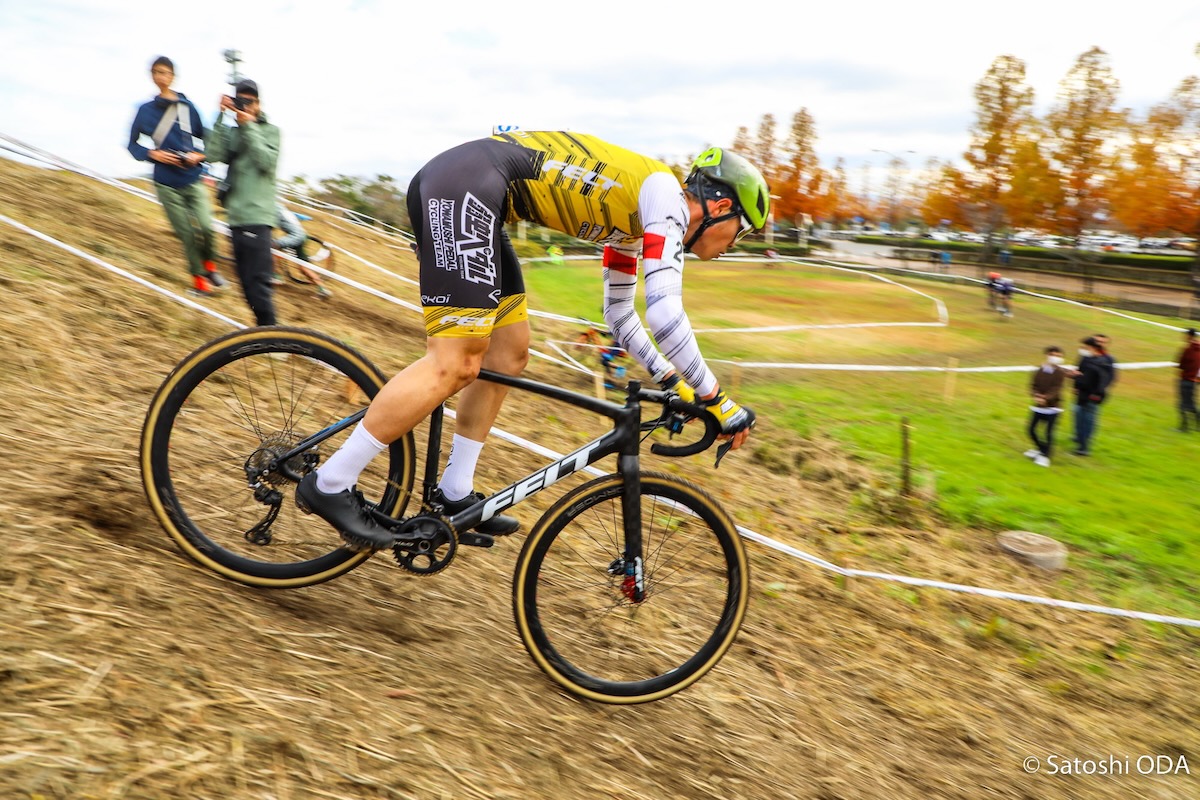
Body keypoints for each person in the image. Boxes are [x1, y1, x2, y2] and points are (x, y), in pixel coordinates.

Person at [296, 132, 767, 550]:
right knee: (454, 363)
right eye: (741, 232)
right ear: (722, 207)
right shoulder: (665, 197)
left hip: (475, 193)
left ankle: (455, 491)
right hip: (467, 188)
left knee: (508, 353)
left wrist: (668, 376)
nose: (734, 244)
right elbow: (664, 312)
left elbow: (620, 315)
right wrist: (717, 399)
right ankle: (332, 482)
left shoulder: (637, 220)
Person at [127, 56, 226, 297]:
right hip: (165, 182)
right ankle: (199, 282)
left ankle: (210, 267)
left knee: (206, 227)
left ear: (172, 77)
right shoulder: (145, 111)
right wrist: (152, 154)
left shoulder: (187, 107)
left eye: (164, 72)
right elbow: (132, 144)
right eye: (155, 72)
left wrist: (199, 156)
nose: (159, 76)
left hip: (192, 176)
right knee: (187, 234)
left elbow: (207, 139)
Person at [205, 79, 281, 326]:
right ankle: (265, 337)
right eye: (241, 100)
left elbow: (266, 163)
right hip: (235, 217)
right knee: (246, 285)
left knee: (259, 284)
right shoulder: (233, 132)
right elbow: (213, 154)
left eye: (250, 101)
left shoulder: (271, 131)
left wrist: (248, 126)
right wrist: (220, 116)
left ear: (258, 103)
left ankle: (274, 338)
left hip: (259, 217)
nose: (245, 105)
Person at [273, 203, 332, 299]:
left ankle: (276, 276)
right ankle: (323, 290)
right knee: (303, 268)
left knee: (273, 247)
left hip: (295, 237)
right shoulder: (285, 210)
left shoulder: (274, 209)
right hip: (303, 236)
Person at [1071, 336, 1115, 456]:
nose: (1083, 350)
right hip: (1085, 395)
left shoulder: (1100, 363)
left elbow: (1087, 381)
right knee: (1081, 419)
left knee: (1087, 421)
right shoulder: (1092, 360)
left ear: (1092, 348)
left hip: (1089, 397)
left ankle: (1083, 447)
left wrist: (1076, 376)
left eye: (1085, 347)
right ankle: (1081, 442)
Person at [1024, 346, 1067, 467]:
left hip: (1053, 407)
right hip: (1038, 405)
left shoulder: (1060, 372)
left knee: (1048, 432)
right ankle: (1040, 449)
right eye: (1054, 355)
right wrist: (1036, 396)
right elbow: (1033, 385)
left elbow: (1057, 389)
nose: (1056, 358)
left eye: (1059, 356)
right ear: (1048, 355)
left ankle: (1045, 456)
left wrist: (1045, 398)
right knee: (1031, 429)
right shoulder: (1039, 370)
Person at [1176, 328, 1200, 431]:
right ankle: (1197, 426)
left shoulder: (1188, 349)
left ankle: (1184, 427)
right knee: (1191, 404)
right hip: (1195, 380)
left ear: (1189, 336)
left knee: (1182, 404)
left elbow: (1181, 364)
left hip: (1186, 379)